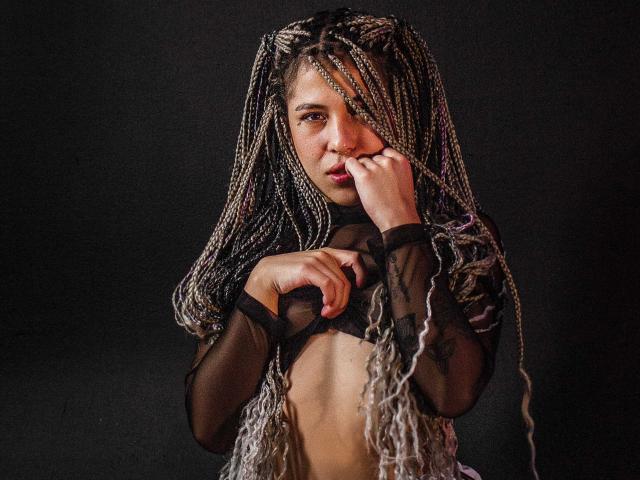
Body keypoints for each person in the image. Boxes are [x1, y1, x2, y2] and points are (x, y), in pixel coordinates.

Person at [173, 8, 537, 480]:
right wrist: (261, 285)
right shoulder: (257, 245)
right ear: (284, 125)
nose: (342, 140)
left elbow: (453, 392)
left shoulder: (454, 240)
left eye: (363, 109)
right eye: (313, 116)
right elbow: (210, 429)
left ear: (403, 111)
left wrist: (400, 225)